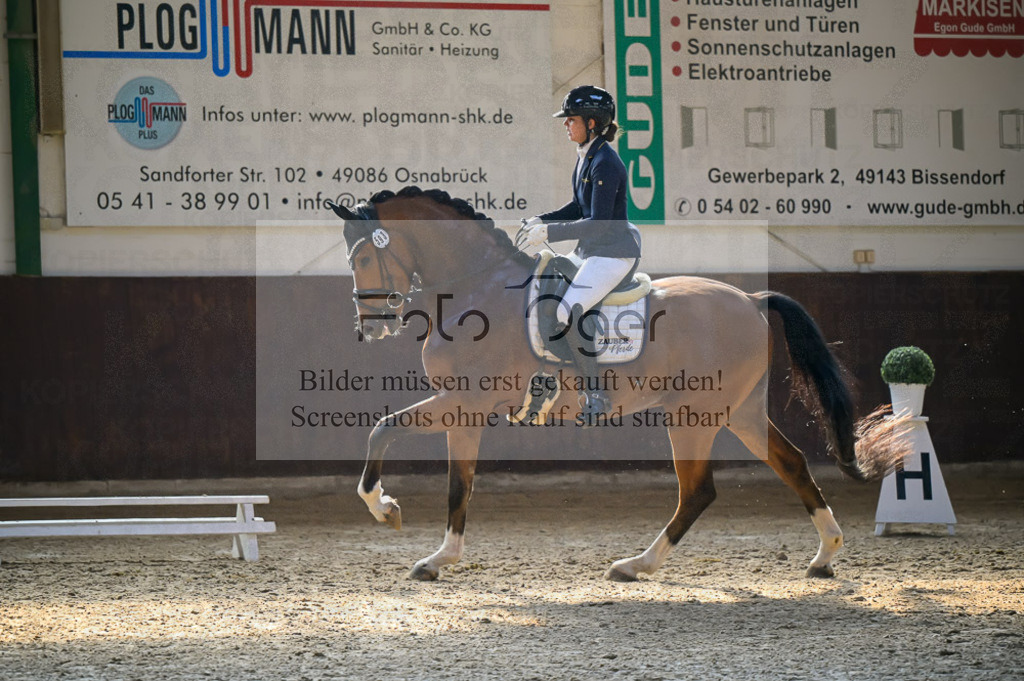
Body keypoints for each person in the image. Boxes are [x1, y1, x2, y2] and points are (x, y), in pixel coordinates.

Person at [516, 85, 641, 423]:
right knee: (543, 284)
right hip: (590, 251)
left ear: (592, 122)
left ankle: (595, 393)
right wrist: (543, 220)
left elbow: (598, 223)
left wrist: (551, 233)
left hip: (613, 253)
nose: (565, 125)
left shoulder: (606, 163)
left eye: (570, 119)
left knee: (567, 313)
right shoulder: (587, 155)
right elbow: (577, 207)